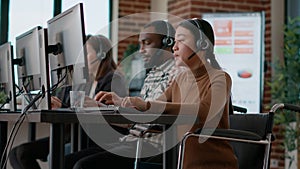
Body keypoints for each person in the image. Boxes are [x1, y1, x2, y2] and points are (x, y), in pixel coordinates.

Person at [96, 18, 238, 169]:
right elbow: (153, 107)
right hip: (181, 161)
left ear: (201, 45)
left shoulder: (220, 77)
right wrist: (121, 101)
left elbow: (204, 110)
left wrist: (148, 105)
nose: (174, 48)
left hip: (213, 163)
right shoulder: (180, 79)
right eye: (174, 42)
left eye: (181, 41)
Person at [63, 20, 181, 169]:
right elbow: (136, 117)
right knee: (66, 161)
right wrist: (103, 107)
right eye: (140, 44)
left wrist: (117, 107)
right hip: (131, 140)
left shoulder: (177, 73)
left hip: (150, 146)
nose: (141, 50)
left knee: (82, 165)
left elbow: (164, 114)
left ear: (166, 43)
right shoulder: (153, 74)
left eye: (147, 43)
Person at [8, 34, 127, 169]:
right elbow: (76, 107)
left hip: (99, 139)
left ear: (101, 55)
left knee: (57, 160)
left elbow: (113, 115)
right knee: (16, 153)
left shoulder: (114, 79)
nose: (81, 58)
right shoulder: (85, 81)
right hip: (77, 134)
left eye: (86, 53)